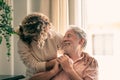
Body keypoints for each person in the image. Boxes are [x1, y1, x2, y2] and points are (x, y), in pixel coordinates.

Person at [29, 26, 98, 80]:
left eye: (69, 36)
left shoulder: (90, 62)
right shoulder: (57, 59)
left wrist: (69, 69)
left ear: (81, 41)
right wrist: (53, 72)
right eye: (64, 36)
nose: (64, 39)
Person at [17, 12, 63, 79]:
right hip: (36, 76)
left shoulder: (55, 36)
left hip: (55, 75)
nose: (34, 38)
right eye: (33, 36)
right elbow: (34, 66)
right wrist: (56, 63)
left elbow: (70, 52)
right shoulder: (22, 42)